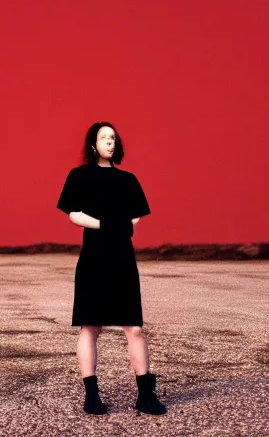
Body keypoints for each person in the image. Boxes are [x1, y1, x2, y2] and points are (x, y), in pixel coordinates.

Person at [56, 121, 166, 416]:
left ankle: (145, 394)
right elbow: (73, 214)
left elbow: (138, 215)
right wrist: (106, 225)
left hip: (122, 258)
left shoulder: (127, 179)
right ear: (93, 144)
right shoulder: (79, 175)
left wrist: (121, 227)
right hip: (93, 257)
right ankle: (91, 395)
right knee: (91, 326)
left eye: (113, 138)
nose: (110, 141)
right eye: (104, 137)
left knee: (135, 327)